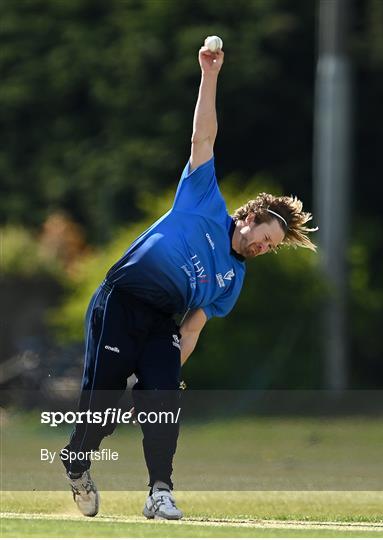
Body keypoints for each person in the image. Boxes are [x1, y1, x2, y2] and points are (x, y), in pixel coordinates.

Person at [61, 41, 317, 520]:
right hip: (120, 300)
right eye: (266, 236)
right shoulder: (203, 199)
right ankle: (77, 461)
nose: (265, 247)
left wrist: (162, 370)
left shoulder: (233, 279)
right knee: (102, 407)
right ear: (253, 215)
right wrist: (210, 74)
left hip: (162, 322)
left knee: (163, 401)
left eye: (273, 246)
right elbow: (203, 137)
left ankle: (160, 492)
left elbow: (194, 327)